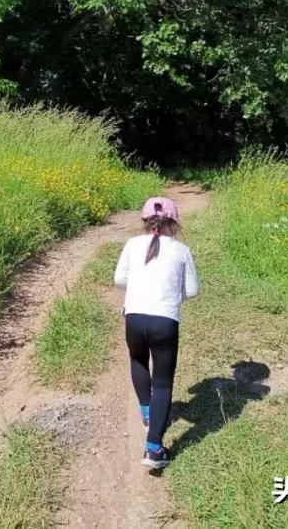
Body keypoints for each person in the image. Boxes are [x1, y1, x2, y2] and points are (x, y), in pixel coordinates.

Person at [114, 196, 199, 469]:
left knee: (138, 361)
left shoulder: (131, 244)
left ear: (144, 221)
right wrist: (171, 297)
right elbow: (192, 290)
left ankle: (148, 413)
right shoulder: (182, 250)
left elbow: (120, 279)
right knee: (162, 382)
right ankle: (154, 449)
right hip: (165, 320)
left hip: (134, 317)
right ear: (174, 223)